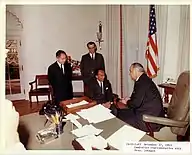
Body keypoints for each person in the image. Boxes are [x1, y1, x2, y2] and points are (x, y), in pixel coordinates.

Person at [117, 62, 165, 132]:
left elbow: (136, 103)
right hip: (148, 112)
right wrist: (130, 99)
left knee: (119, 117)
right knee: (121, 112)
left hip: (149, 120)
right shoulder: (144, 79)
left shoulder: (141, 82)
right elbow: (140, 98)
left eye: (131, 71)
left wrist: (126, 102)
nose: (129, 74)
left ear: (136, 71)